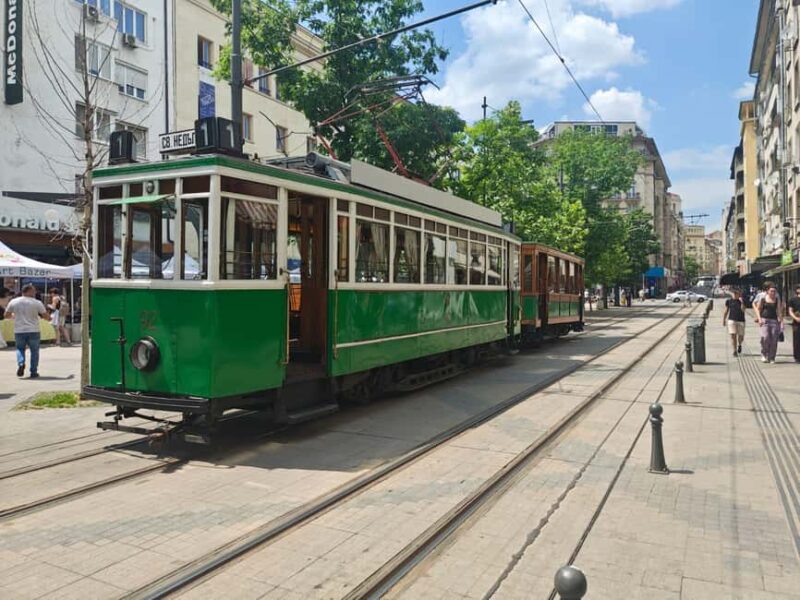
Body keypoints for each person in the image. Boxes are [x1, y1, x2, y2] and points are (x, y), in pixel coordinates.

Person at [4, 284, 50, 377]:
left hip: (19, 330)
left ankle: (21, 363)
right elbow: (45, 316)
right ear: (29, 291)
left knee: (20, 349)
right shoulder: (37, 302)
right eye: (33, 290)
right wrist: (48, 317)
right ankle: (33, 371)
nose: (35, 292)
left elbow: (6, 315)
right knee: (34, 351)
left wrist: (14, 316)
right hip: (33, 330)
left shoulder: (14, 301)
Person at [754, 285, 784, 364]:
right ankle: (764, 354)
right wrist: (759, 319)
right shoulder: (763, 299)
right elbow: (758, 309)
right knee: (765, 337)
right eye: (771, 291)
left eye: (774, 291)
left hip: (774, 321)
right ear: (768, 291)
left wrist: (781, 322)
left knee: (774, 340)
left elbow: (779, 311)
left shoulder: (777, 300)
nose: (773, 293)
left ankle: (772, 357)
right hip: (765, 320)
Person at [722, 289, 746, 357]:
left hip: (741, 320)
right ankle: (734, 350)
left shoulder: (742, 301)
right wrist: (723, 320)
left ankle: (739, 344)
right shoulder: (729, 301)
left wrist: (742, 302)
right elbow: (726, 311)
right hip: (732, 320)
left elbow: (743, 310)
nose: (735, 295)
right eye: (734, 293)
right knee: (733, 335)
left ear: (739, 294)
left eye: (737, 293)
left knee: (741, 336)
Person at [789, 285, 800, 363]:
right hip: (796, 322)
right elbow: (790, 311)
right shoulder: (793, 300)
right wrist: (796, 318)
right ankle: (797, 357)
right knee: (796, 339)